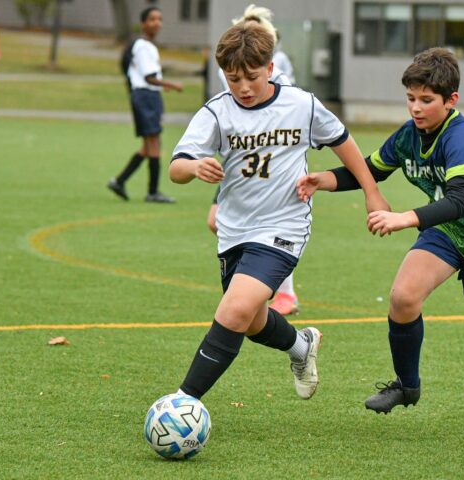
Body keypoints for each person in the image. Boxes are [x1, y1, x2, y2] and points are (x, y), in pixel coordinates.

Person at [297, 48, 464, 424]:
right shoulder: (409, 135)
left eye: (426, 100)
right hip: (447, 230)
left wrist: (404, 217)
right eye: (410, 99)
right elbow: (371, 170)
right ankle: (407, 384)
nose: (416, 108)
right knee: (403, 297)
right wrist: (326, 179)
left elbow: (461, 200)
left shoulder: (461, 138)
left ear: (451, 100)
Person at [168, 21, 387, 402]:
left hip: (284, 225)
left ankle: (183, 403)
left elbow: (344, 143)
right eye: (233, 79)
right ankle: (301, 347)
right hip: (234, 230)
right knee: (252, 322)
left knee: (234, 310)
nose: (243, 88)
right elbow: (176, 168)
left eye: (252, 77)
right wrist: (194, 167)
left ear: (270, 68)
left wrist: (371, 191)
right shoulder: (217, 113)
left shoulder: (300, 105)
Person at [210, 3, 300, 315]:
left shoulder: (279, 64)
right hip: (238, 159)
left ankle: (285, 293)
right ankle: (254, 286)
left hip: (271, 158)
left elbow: (287, 109)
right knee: (216, 221)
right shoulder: (230, 64)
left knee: (274, 229)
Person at [107, 6, 183, 204]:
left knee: (148, 147)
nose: (157, 23)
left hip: (149, 96)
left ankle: (119, 181)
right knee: (154, 144)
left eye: (159, 19)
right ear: (143, 24)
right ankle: (153, 192)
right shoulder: (142, 46)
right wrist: (172, 84)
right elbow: (149, 78)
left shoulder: (148, 45)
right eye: (152, 19)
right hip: (145, 96)